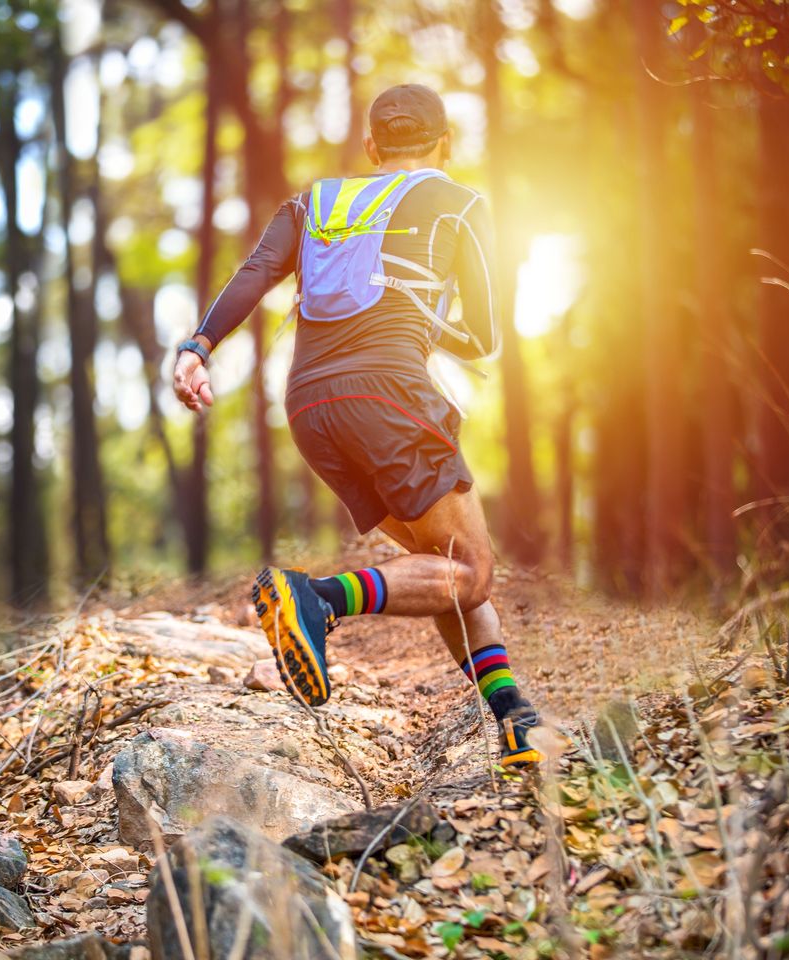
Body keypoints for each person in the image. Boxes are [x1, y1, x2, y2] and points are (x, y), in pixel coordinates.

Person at [171, 83, 542, 766]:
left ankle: (518, 724)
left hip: (310, 406)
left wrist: (198, 347)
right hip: (390, 398)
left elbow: (256, 272)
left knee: (444, 567)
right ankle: (316, 597)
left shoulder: (315, 201)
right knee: (475, 571)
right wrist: (437, 324)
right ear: (444, 145)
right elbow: (486, 332)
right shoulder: (459, 203)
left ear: (371, 148)